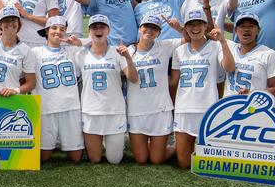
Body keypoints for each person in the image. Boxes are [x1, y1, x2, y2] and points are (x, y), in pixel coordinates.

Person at [171, 9, 235, 169]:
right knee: (184, 163)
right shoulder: (179, 51)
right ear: (185, 28)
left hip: (207, 108)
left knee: (208, 163)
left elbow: (229, 67)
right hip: (184, 108)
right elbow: (174, 81)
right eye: (191, 25)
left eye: (199, 24)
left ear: (205, 26)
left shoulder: (215, 46)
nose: (195, 28)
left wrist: (223, 42)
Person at [77, 14, 138, 164]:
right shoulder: (81, 54)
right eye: (95, 27)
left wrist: (128, 58)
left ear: (108, 30)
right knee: (95, 159)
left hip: (113, 110)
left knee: (115, 160)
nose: (98, 30)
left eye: (102, 27)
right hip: (91, 111)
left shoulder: (117, 52)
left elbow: (133, 78)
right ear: (89, 31)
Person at [23, 16, 84, 163]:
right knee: (43, 157)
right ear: (46, 31)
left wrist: (79, 44)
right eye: (54, 28)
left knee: (76, 157)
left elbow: (94, 49)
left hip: (70, 106)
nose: (58, 32)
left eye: (62, 29)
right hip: (46, 108)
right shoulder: (35, 52)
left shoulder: (73, 51)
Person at [125, 15, 182, 165]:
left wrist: (178, 28)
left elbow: (190, 39)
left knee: (157, 160)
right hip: (136, 110)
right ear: (139, 28)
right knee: (141, 159)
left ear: (158, 33)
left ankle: (176, 148)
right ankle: (152, 146)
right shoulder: (129, 50)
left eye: (154, 28)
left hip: (159, 109)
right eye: (146, 27)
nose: (149, 31)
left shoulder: (164, 46)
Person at [223, 13, 275, 97]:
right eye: (242, 26)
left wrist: (253, 93)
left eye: (251, 26)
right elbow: (209, 30)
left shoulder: (268, 54)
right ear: (235, 30)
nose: (246, 29)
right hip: (230, 106)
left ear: (258, 30)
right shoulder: (229, 48)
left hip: (254, 107)